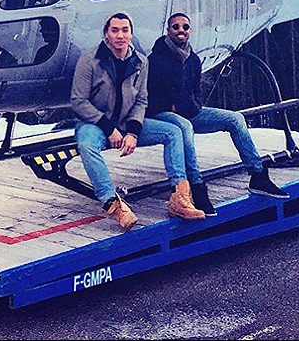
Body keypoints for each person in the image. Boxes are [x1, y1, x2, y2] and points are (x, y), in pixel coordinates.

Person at [70, 12, 206, 232]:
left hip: (126, 122)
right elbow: (78, 101)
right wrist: (108, 128)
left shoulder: (140, 62)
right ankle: (114, 205)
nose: (120, 36)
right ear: (106, 34)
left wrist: (133, 132)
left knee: (173, 132)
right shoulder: (90, 60)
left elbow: (142, 100)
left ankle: (180, 197)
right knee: (86, 144)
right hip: (94, 122)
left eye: (125, 30)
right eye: (115, 30)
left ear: (131, 34)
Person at [147, 12, 290, 216]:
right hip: (163, 115)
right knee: (185, 128)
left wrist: (195, 105)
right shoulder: (156, 60)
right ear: (168, 31)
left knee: (235, 119)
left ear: (190, 31)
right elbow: (146, 97)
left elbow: (196, 90)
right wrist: (171, 107)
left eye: (185, 27)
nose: (181, 31)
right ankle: (197, 187)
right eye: (176, 27)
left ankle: (258, 175)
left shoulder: (193, 60)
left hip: (191, 112)